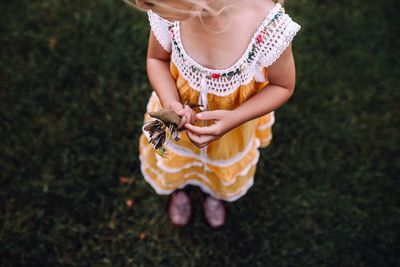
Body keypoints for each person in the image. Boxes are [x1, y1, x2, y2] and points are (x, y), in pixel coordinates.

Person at [129, 0, 301, 228]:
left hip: (231, 131)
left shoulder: (267, 27)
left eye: (150, 2)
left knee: (219, 168)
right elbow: (156, 59)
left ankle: (212, 193)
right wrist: (171, 102)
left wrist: (234, 118)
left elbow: (282, 86)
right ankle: (181, 189)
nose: (144, 5)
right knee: (177, 159)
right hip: (177, 123)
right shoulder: (169, 11)